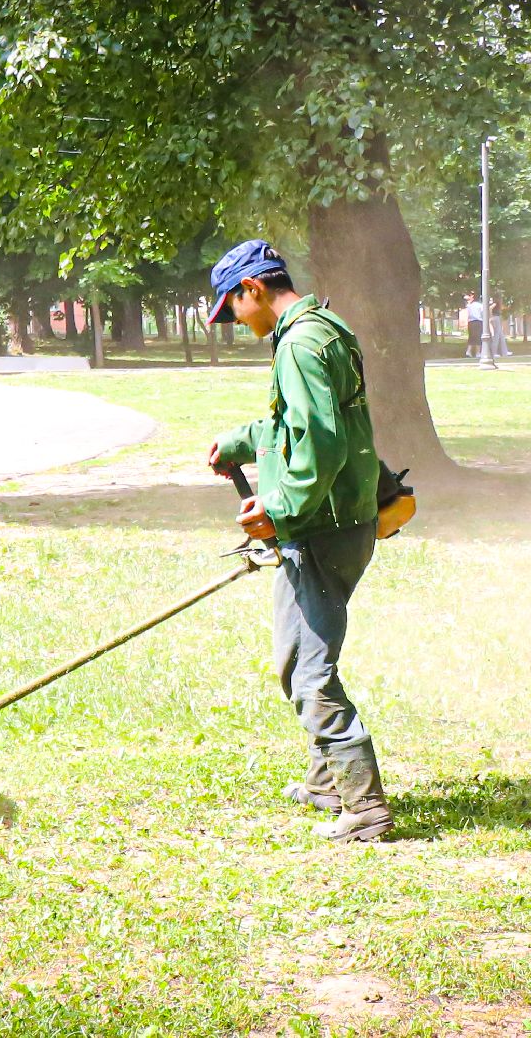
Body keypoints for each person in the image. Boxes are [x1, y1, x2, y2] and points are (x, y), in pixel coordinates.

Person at [203, 240, 392, 843]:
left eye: (231, 307)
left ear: (252, 288)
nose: (233, 321)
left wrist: (280, 513)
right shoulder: (320, 328)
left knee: (308, 669)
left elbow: (324, 445)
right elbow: (302, 423)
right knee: (296, 656)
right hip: (337, 520)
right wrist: (241, 440)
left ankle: (364, 808)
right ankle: (325, 782)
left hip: (321, 526)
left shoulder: (300, 343)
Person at [463, 291, 484, 357]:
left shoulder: (470, 306)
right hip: (478, 322)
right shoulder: (480, 305)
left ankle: (468, 352)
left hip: (470, 322)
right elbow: (483, 314)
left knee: (471, 337)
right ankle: (477, 353)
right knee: (478, 337)